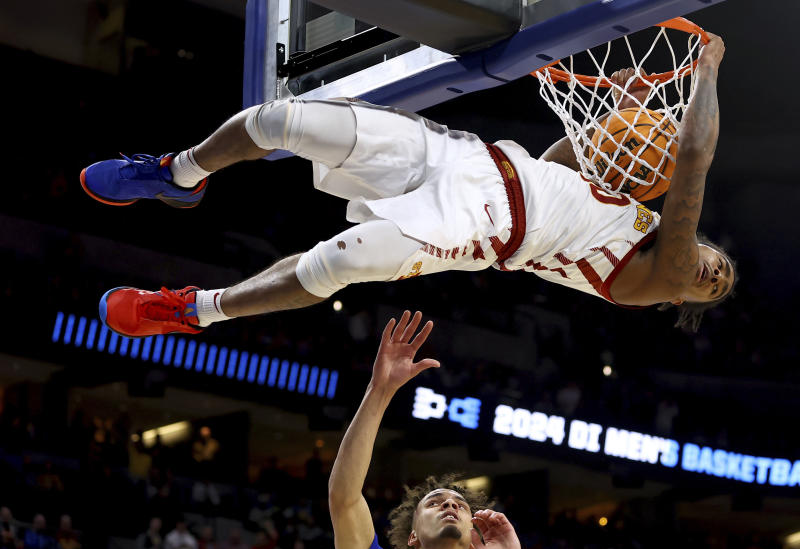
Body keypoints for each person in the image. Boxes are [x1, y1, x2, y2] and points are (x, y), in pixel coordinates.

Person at [82, 35, 732, 335]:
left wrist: (704, 75)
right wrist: (617, 111)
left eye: (716, 289)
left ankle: (195, 309)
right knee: (280, 118)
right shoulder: (623, 213)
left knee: (343, 260)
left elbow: (695, 162)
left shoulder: (665, 275)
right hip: (474, 163)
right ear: (715, 248)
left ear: (687, 300)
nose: (713, 278)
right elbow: (554, 170)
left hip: (479, 231)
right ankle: (178, 175)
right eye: (723, 270)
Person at [323, 309, 575, 549]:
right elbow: (344, 499)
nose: (450, 505)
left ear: (474, 538)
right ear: (412, 535)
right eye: (434, 503)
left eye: (460, 504)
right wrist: (380, 390)